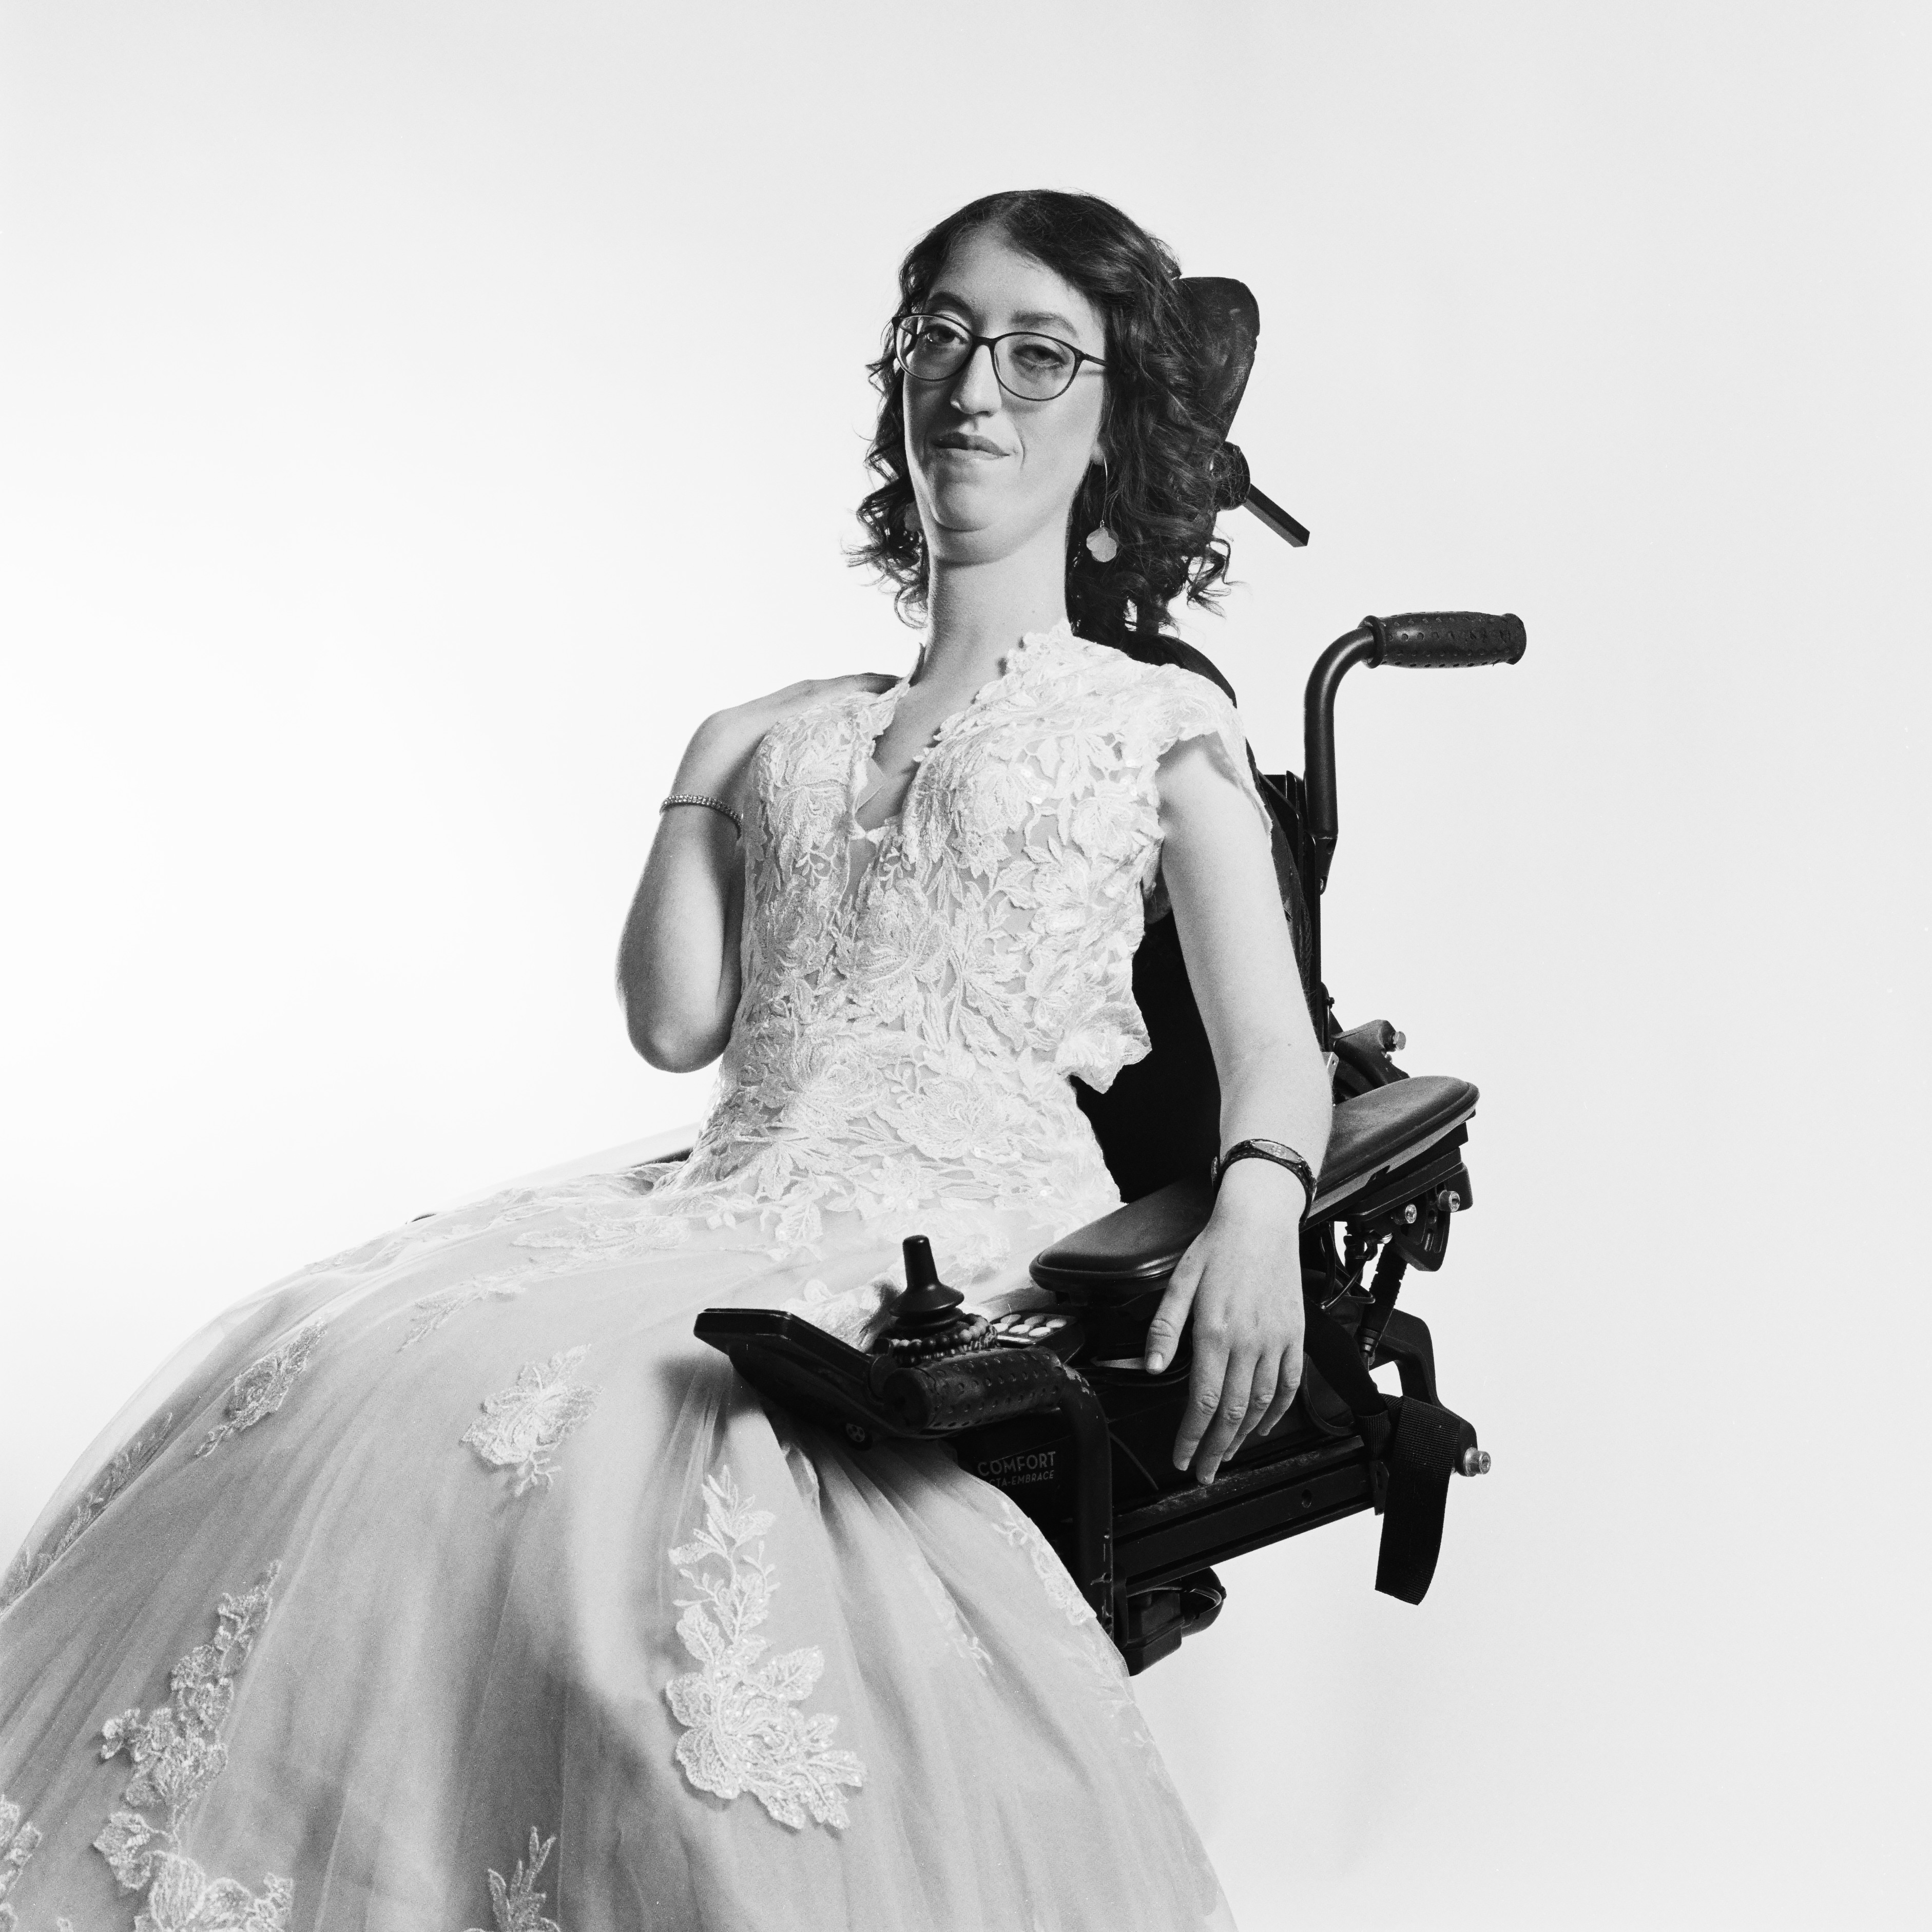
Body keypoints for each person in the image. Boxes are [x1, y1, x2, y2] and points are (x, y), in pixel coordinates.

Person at [0, 189, 1331, 1932]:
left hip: (956, 1198)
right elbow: (679, 1025)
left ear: (1109, 416)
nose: (973, 389)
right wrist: (717, 767)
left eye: (1033, 353)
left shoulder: (1157, 722)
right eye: (937, 336)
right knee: (352, 1349)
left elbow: (1274, 1049)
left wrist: (1257, 1211)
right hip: (741, 1171)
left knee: (616, 1418)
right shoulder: (790, 733)